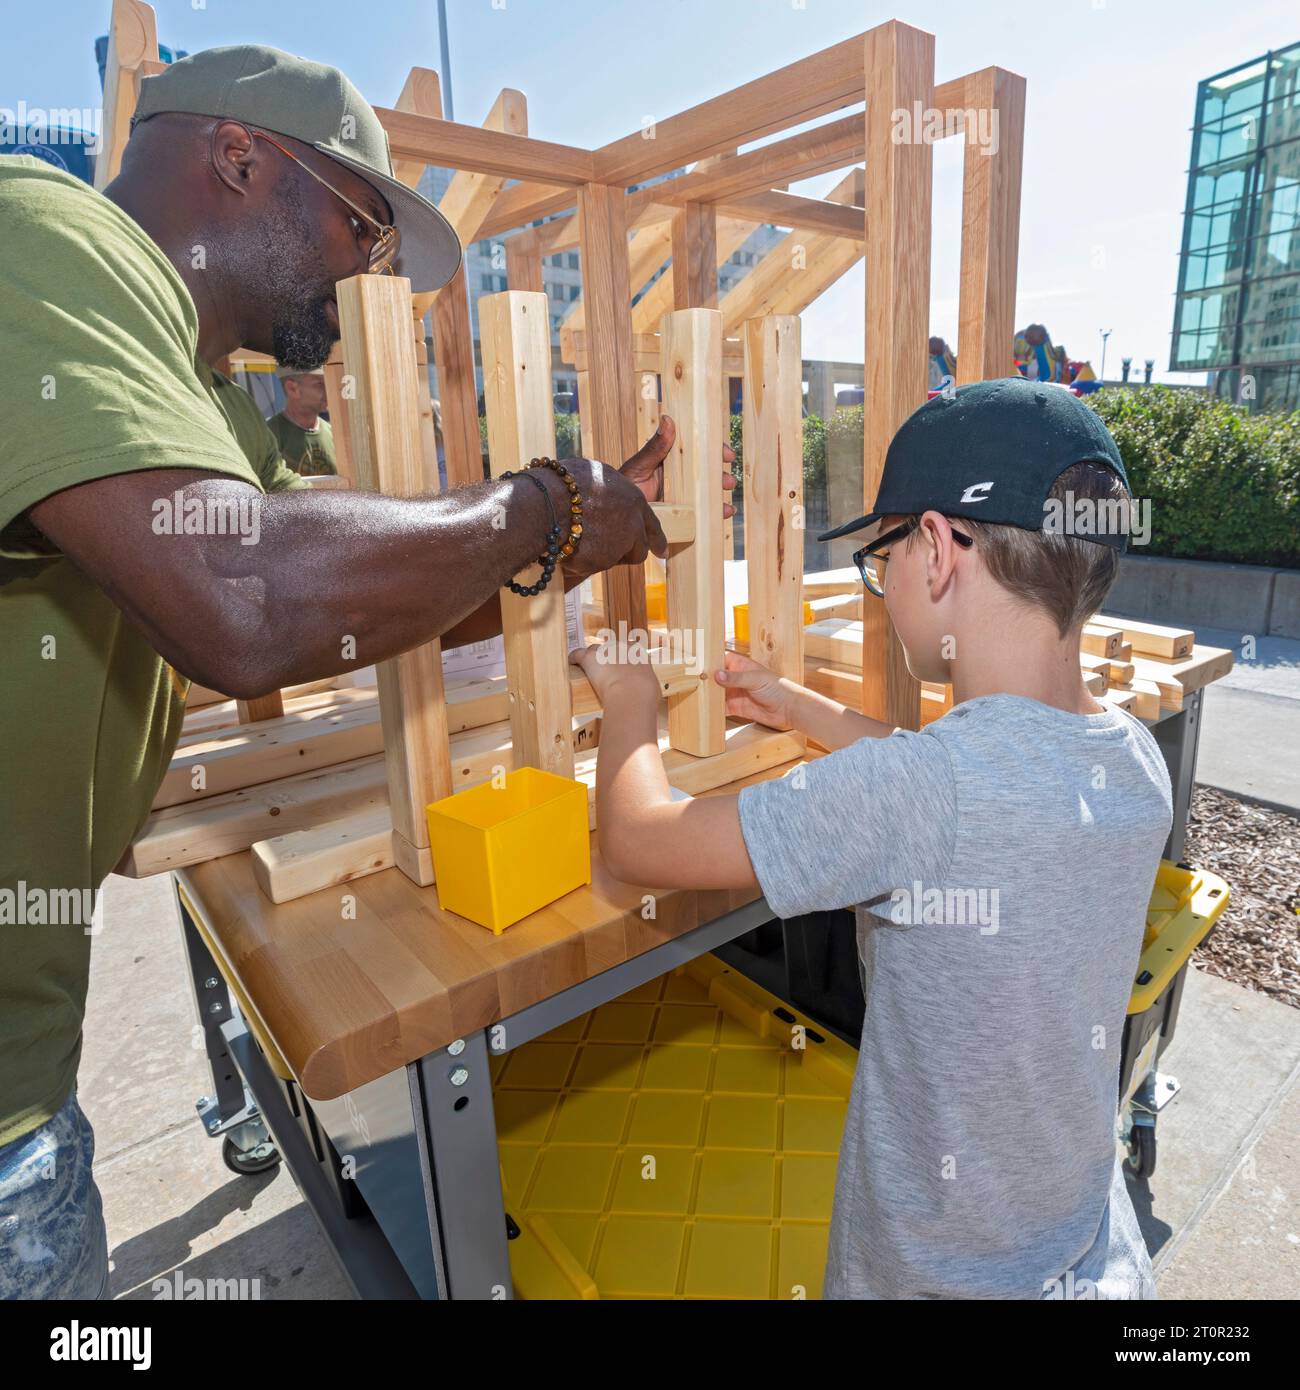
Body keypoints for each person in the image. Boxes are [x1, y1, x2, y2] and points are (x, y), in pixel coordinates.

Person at [0, 44, 734, 1298]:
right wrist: (539, 506)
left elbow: (360, 596)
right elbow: (249, 597)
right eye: (361, 227)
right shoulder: (45, 234)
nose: (363, 280)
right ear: (238, 157)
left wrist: (571, 518)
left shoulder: (206, 397)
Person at [572, 379, 1168, 1300]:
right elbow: (978, 786)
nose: (880, 580)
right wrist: (802, 707)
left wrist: (631, 705)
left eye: (880, 555)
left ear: (935, 549)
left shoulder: (921, 795)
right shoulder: (1130, 761)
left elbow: (639, 842)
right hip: (1082, 1244)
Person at [268, 365, 336, 475]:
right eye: (319, 384)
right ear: (292, 389)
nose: (328, 390)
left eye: (327, 382)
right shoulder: (268, 437)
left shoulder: (335, 434)